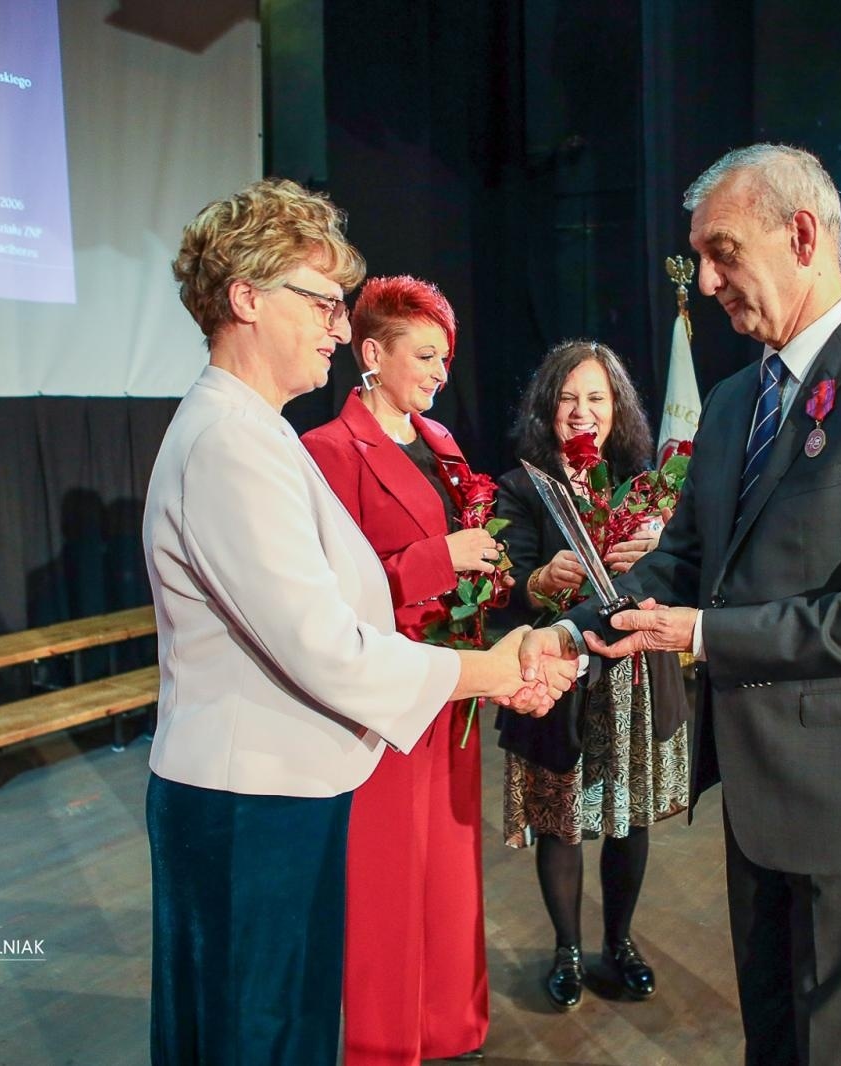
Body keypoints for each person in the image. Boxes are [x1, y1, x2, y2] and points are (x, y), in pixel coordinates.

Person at [525, 145, 841, 1065]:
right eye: (700, 257)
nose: (705, 281)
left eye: (723, 252)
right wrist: (570, 635)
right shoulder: (738, 400)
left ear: (804, 236)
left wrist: (704, 635)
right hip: (761, 795)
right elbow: (687, 564)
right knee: (774, 1042)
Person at [143, 179, 571, 1066]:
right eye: (323, 304)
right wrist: (488, 672)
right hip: (246, 800)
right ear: (246, 298)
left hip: (272, 788)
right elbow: (324, 647)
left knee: (280, 1030)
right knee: (253, 1036)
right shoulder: (230, 442)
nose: (341, 330)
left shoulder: (253, 431)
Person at [301, 275, 493, 1064]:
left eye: (444, 358)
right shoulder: (327, 451)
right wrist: (436, 559)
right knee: (387, 878)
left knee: (450, 870)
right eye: (425, 355)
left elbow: (466, 548)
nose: (439, 372)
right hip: (383, 695)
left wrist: (491, 574)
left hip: (453, 687)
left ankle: (452, 1026)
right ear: (370, 353)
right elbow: (329, 593)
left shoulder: (442, 442)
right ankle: (386, 1042)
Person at [493, 340, 691, 1012]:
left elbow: (678, 574)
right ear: (549, 410)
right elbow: (505, 586)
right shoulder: (522, 487)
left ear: (617, 410)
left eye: (597, 398)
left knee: (628, 820)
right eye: (569, 398)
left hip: (633, 673)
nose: (583, 412)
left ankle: (621, 942)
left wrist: (660, 545)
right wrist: (536, 580)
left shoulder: (645, 484)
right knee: (561, 821)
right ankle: (567, 951)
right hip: (558, 680)